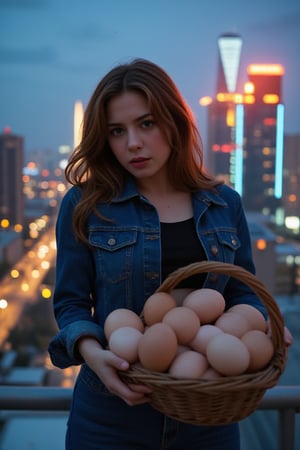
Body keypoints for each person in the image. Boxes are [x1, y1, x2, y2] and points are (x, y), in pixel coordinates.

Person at [48, 58, 292, 450]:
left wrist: (261, 324)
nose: (133, 143)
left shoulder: (223, 203)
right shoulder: (86, 205)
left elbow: (242, 293)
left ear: (174, 121)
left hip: (208, 414)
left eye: (147, 123)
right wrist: (95, 356)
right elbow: (71, 304)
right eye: (117, 131)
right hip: (111, 416)